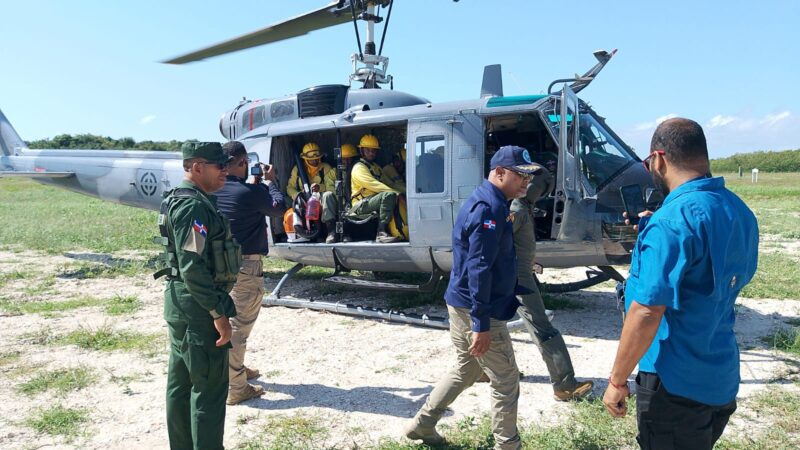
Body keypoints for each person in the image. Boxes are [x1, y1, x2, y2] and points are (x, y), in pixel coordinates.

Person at [602, 118, 759, 449]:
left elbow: (646, 311)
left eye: (649, 164)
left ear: (658, 158)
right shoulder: (738, 210)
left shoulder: (671, 223)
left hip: (674, 387)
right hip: (719, 378)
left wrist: (617, 380)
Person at [404, 145, 537, 449]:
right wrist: (481, 323)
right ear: (499, 172)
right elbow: (479, 267)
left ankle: (422, 424)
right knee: (506, 380)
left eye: (528, 176)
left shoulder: (490, 200)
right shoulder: (489, 209)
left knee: (468, 368)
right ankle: (508, 445)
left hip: (461, 301)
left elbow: (482, 256)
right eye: (521, 175)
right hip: (478, 307)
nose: (526, 181)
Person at [154, 141, 240, 450]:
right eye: (220, 166)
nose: (226, 172)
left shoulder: (181, 199)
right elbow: (193, 265)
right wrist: (218, 312)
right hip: (198, 305)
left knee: (181, 385)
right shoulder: (194, 206)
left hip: (182, 302)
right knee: (209, 389)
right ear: (197, 167)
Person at [510, 165, 594, 401]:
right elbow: (497, 241)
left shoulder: (522, 207)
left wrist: (527, 260)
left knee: (493, 325)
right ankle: (564, 384)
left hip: (517, 274)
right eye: (542, 185)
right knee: (543, 328)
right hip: (518, 279)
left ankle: (483, 370)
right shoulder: (517, 208)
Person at [215, 141, 286, 405]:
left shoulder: (214, 190)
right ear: (241, 162)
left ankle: (234, 370)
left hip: (218, 263)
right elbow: (278, 207)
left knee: (221, 320)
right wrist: (271, 183)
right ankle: (236, 387)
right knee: (238, 325)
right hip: (245, 266)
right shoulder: (251, 192)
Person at [349, 134, 401, 243]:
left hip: (373, 201)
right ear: (361, 151)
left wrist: (408, 191)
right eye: (368, 150)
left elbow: (390, 183)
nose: (372, 153)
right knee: (389, 195)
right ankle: (381, 233)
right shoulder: (358, 168)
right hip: (361, 205)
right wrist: (397, 193)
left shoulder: (375, 167)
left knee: (391, 193)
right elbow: (373, 184)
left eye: (374, 151)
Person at [286, 142, 339, 243]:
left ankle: (330, 232)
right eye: (311, 159)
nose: (315, 161)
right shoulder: (297, 170)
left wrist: (319, 188)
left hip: (319, 198)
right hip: (302, 199)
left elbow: (330, 187)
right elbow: (290, 188)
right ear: (305, 159)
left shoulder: (325, 167)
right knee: (285, 201)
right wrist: (298, 196)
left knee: (327, 196)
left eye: (317, 158)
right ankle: (295, 232)